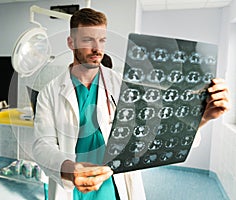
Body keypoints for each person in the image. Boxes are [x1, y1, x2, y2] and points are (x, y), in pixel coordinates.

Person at [32, 8, 229, 200]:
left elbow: (153, 134)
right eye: (87, 40)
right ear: (71, 42)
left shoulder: (123, 85)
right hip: (72, 185)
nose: (97, 49)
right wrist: (68, 170)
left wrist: (200, 119)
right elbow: (42, 145)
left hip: (113, 184)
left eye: (102, 40)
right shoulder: (50, 92)